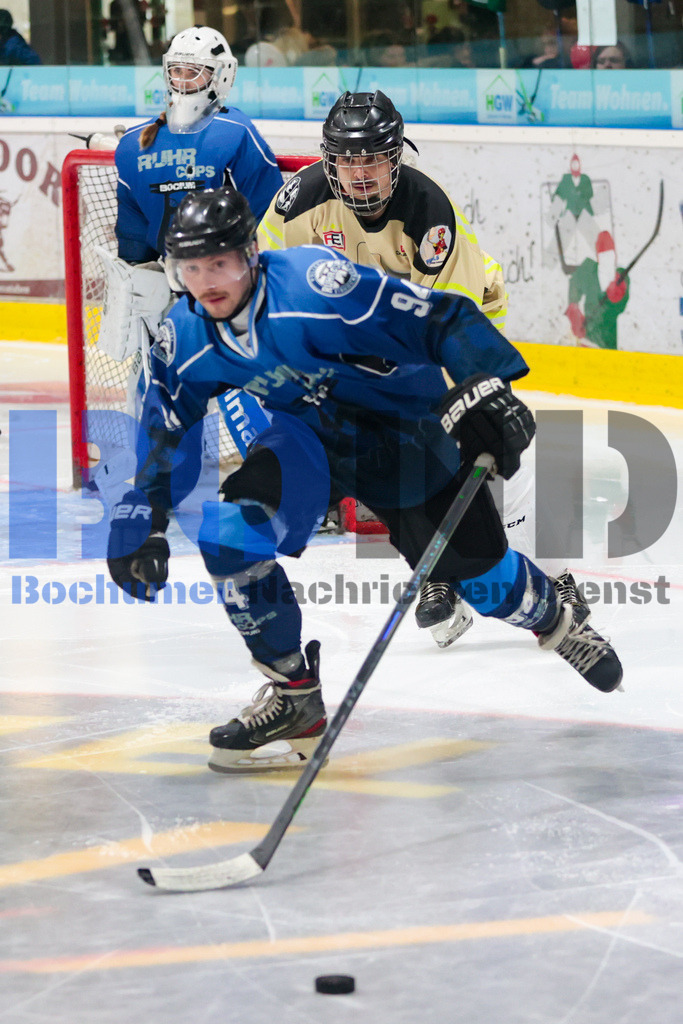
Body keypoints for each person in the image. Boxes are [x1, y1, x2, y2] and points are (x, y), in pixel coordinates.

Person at [105, 185, 624, 775]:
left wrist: (485, 387)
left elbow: (441, 317)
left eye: (219, 262)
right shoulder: (185, 338)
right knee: (231, 535)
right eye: (191, 267)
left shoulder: (316, 288)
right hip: (309, 441)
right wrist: (143, 516)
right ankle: (293, 697)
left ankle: (555, 619)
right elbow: (166, 428)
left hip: (404, 429)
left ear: (251, 252)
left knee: (483, 583)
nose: (208, 281)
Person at [258, 90, 507, 648]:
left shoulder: (429, 212)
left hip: (452, 326)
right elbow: (264, 283)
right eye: (348, 160)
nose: (360, 173)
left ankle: (545, 575)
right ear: (329, 160)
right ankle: (437, 573)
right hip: (362, 345)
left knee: (471, 445)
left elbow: (448, 321)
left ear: (396, 158)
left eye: (371, 159)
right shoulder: (297, 205)